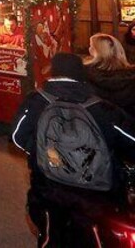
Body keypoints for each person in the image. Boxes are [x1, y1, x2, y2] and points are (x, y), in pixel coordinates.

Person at [11, 52, 135, 247]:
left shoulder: (36, 100)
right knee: (97, 239)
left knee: (51, 236)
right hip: (96, 194)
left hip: (48, 186)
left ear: (53, 72)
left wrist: (40, 152)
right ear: (81, 74)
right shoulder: (102, 107)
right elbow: (131, 141)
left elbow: (16, 137)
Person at [86, 33, 135, 117]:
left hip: (96, 124)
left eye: (91, 46)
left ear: (95, 52)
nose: (89, 49)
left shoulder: (85, 74)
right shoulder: (131, 76)